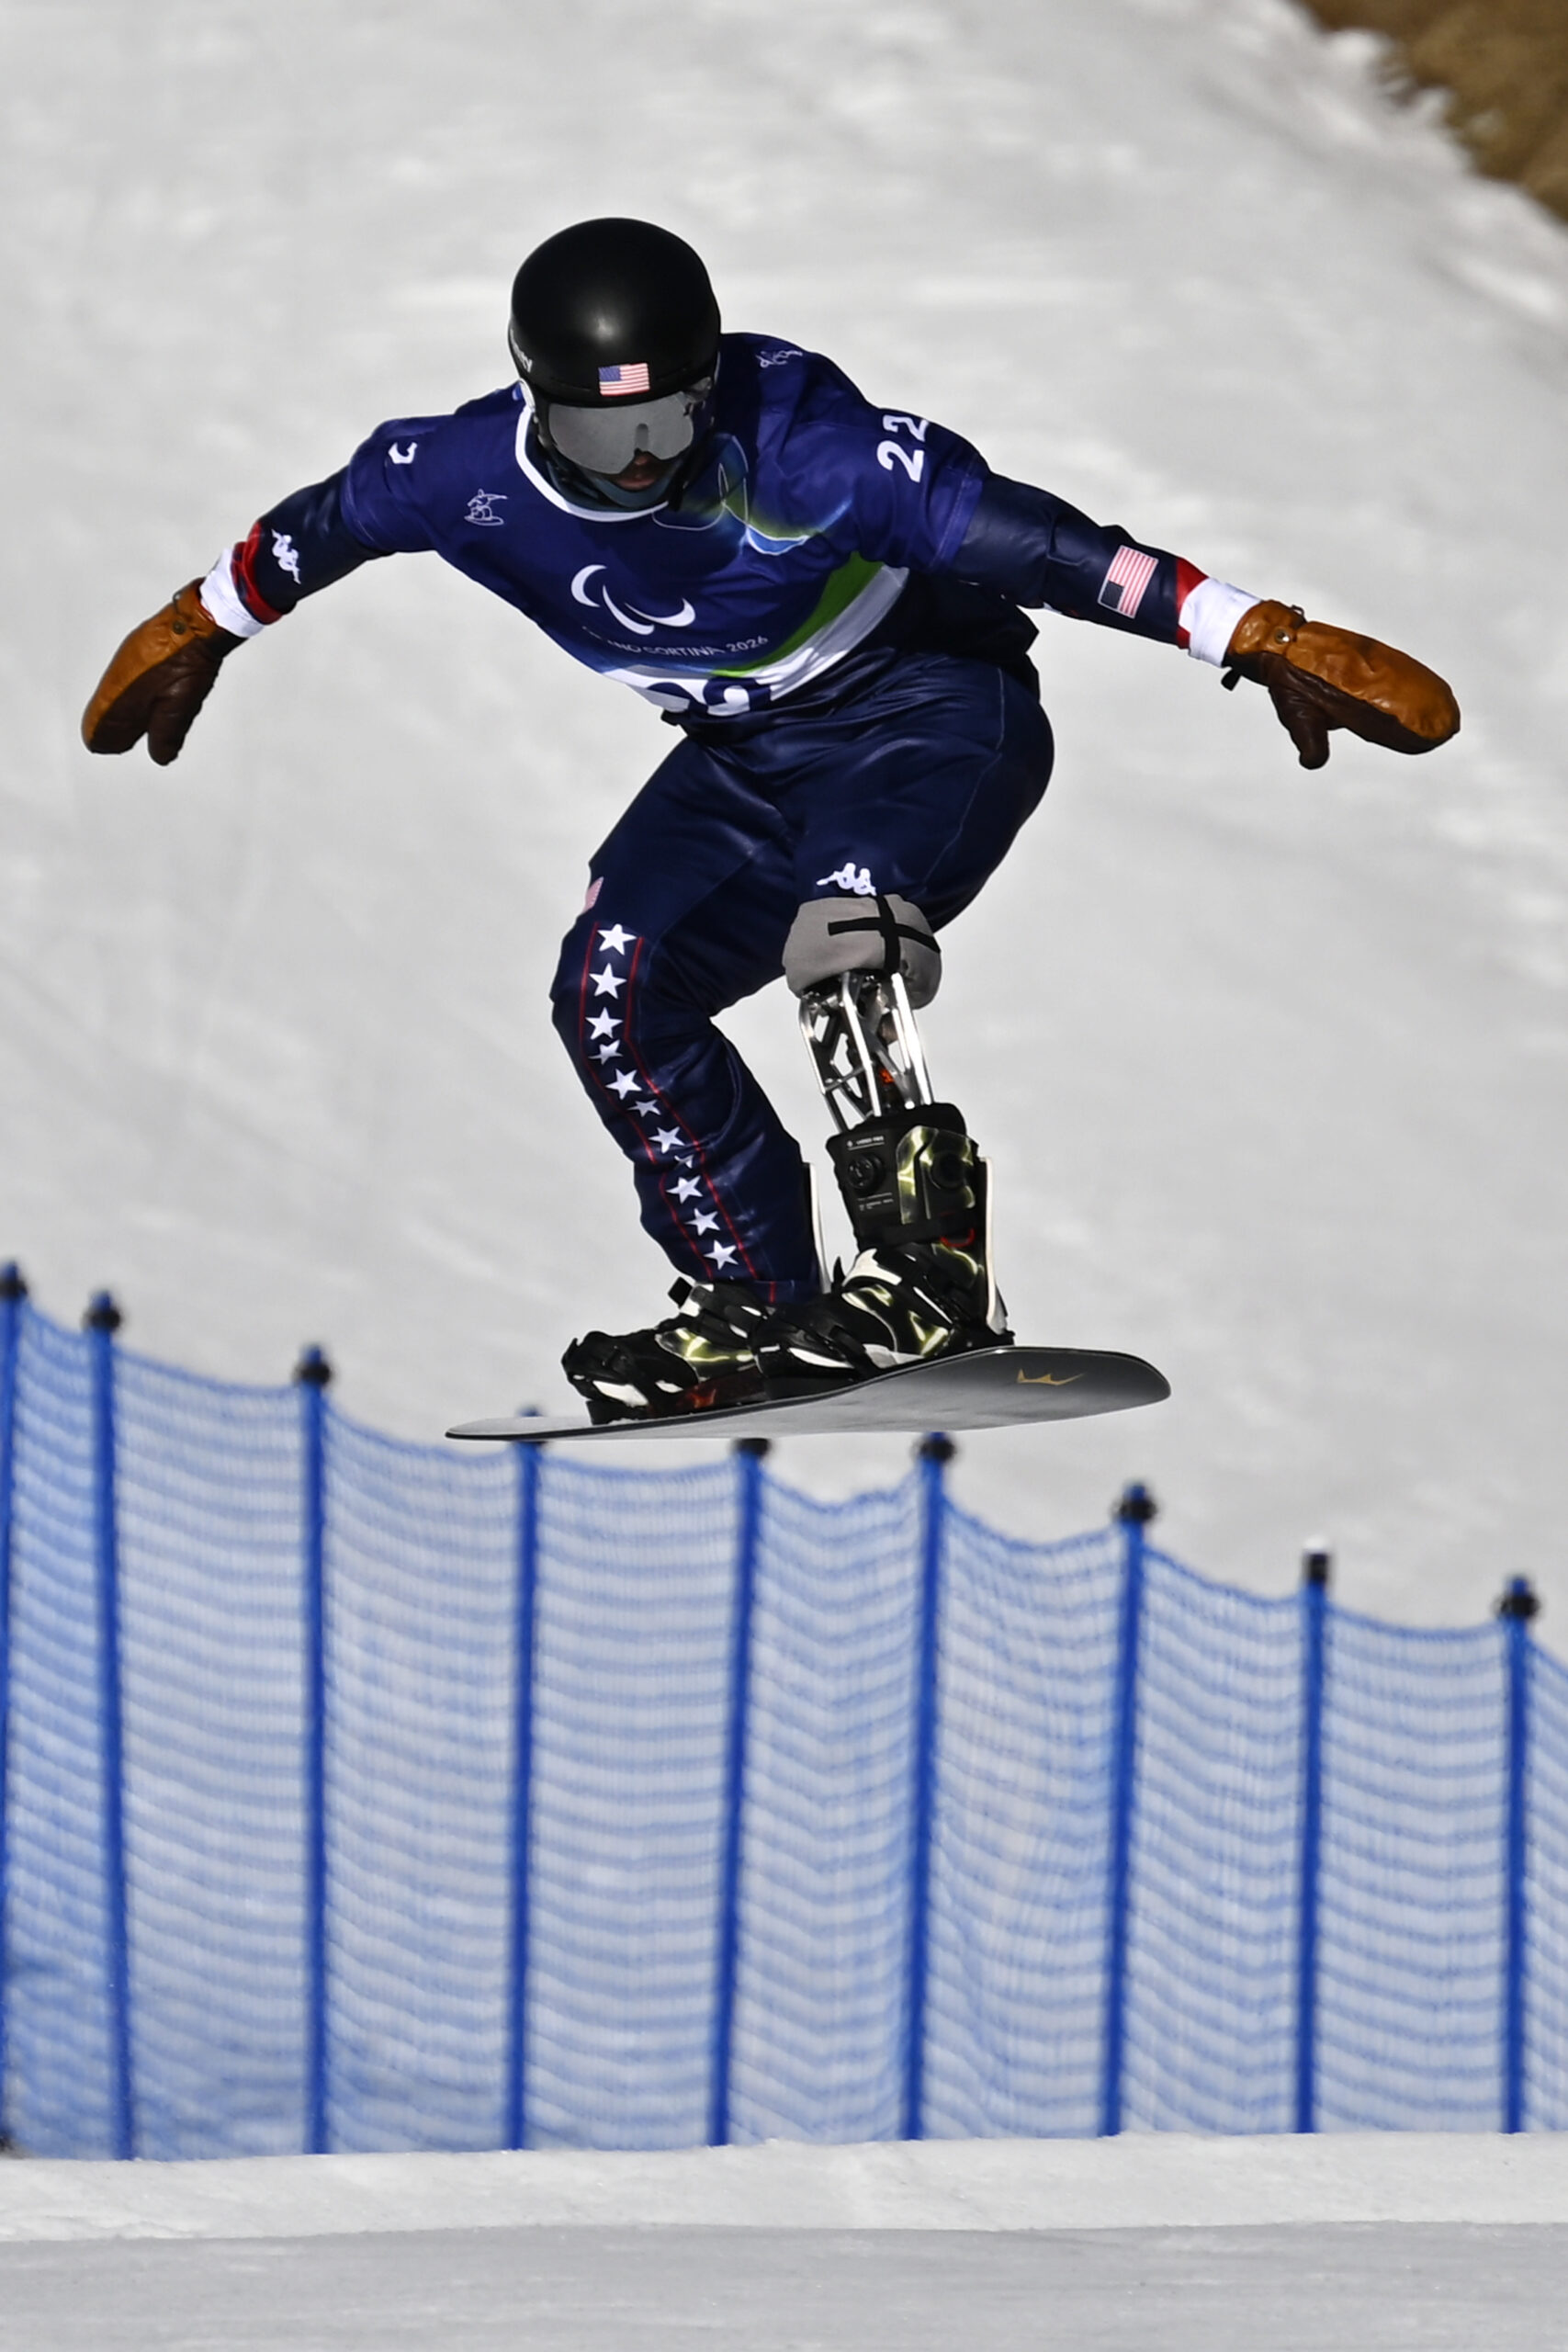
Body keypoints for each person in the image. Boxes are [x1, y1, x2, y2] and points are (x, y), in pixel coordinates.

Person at [82, 218, 1460, 1423]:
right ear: (530, 403)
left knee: (842, 935)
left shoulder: (808, 453)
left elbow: (1050, 549)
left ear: (707, 388)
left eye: (667, 425)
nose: (639, 465)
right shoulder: (453, 476)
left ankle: (927, 1283)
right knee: (612, 990)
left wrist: (1256, 633)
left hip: (930, 713)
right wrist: (198, 625)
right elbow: (318, 529)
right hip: (746, 757)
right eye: (598, 434)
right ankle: (753, 1297)